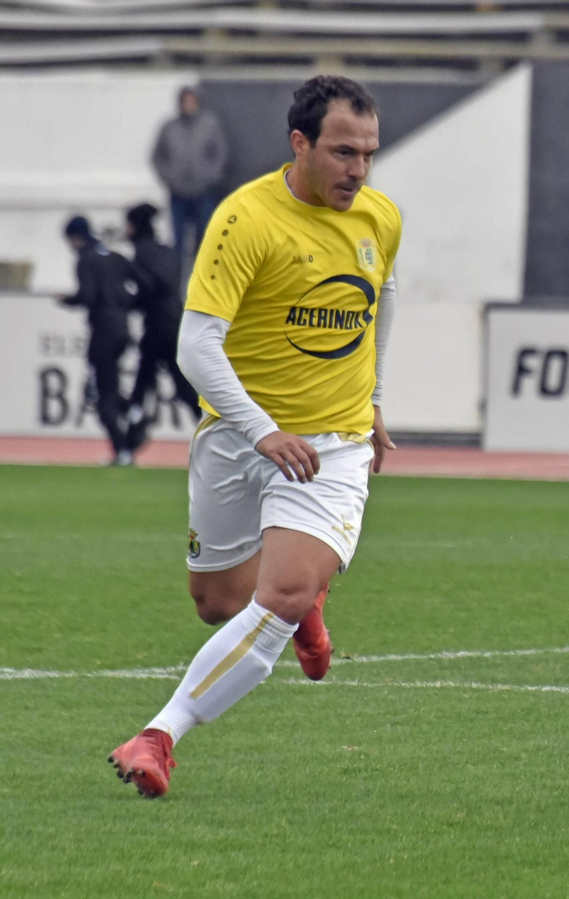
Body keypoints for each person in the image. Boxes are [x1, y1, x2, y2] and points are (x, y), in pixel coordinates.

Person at [107, 75, 402, 799]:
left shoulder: (379, 218)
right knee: (214, 600)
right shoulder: (245, 220)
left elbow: (382, 297)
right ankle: (306, 609)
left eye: (368, 153)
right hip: (241, 437)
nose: (358, 170)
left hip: (332, 444)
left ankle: (159, 734)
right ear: (299, 144)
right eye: (342, 152)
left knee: (282, 594)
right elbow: (196, 346)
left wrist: (372, 401)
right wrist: (264, 431)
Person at [59, 216, 136, 466]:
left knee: (103, 395)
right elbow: (138, 284)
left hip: (103, 331)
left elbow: (87, 295)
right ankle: (134, 412)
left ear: (75, 237)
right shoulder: (115, 257)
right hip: (123, 328)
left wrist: (67, 300)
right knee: (110, 387)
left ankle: (122, 449)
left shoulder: (86, 260)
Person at [124, 202, 200, 450]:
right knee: (183, 386)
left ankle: (128, 444)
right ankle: (211, 429)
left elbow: (151, 288)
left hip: (157, 328)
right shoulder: (169, 251)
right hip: (176, 324)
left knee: (142, 386)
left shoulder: (142, 253)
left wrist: (129, 300)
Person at [152, 86, 230, 258]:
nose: (189, 105)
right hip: (177, 193)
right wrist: (169, 178)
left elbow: (220, 153)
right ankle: (178, 280)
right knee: (178, 242)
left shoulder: (210, 125)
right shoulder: (169, 127)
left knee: (204, 240)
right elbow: (157, 156)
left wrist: (210, 176)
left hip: (203, 193)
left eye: (192, 101)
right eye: (185, 101)